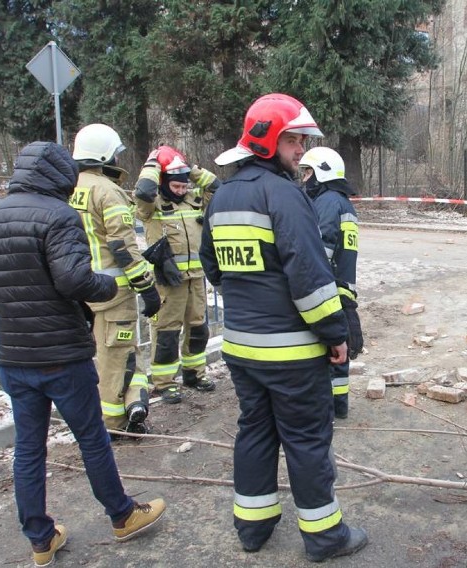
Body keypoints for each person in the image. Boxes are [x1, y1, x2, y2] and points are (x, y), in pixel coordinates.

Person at [0, 141, 166, 567]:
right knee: (92, 439)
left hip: (15, 359)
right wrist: (111, 287)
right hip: (62, 355)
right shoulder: (58, 216)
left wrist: (18, 316)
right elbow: (75, 280)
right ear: (59, 176)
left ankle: (40, 538)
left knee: (29, 448)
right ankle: (122, 514)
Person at [199, 93, 368, 562]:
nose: (301, 150)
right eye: (294, 140)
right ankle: (325, 537)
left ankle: (252, 527)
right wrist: (336, 334)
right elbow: (310, 278)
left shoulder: (222, 196)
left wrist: (251, 292)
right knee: (307, 440)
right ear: (270, 140)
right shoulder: (287, 195)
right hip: (292, 353)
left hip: (242, 349)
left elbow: (213, 267)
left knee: (254, 432)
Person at [70, 123, 160, 434]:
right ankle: (114, 422)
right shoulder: (107, 191)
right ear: (105, 155)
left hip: (78, 288)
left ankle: (130, 403)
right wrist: (146, 286)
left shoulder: (69, 186)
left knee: (97, 355)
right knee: (116, 355)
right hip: (112, 292)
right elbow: (122, 246)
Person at [134, 145, 220, 404]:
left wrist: (189, 169)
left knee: (197, 329)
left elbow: (217, 187)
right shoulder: (152, 206)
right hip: (167, 281)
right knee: (167, 333)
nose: (182, 191)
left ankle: (194, 373)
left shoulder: (194, 200)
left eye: (184, 187)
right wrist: (153, 164)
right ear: (163, 183)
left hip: (195, 277)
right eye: (176, 186)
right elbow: (143, 191)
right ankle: (164, 383)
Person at [299, 147, 363, 420]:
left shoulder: (327, 203)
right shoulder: (342, 202)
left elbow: (320, 252)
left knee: (329, 349)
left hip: (326, 286)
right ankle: (339, 407)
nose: (303, 178)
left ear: (321, 173)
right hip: (342, 286)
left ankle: (328, 408)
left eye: (308, 172)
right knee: (339, 350)